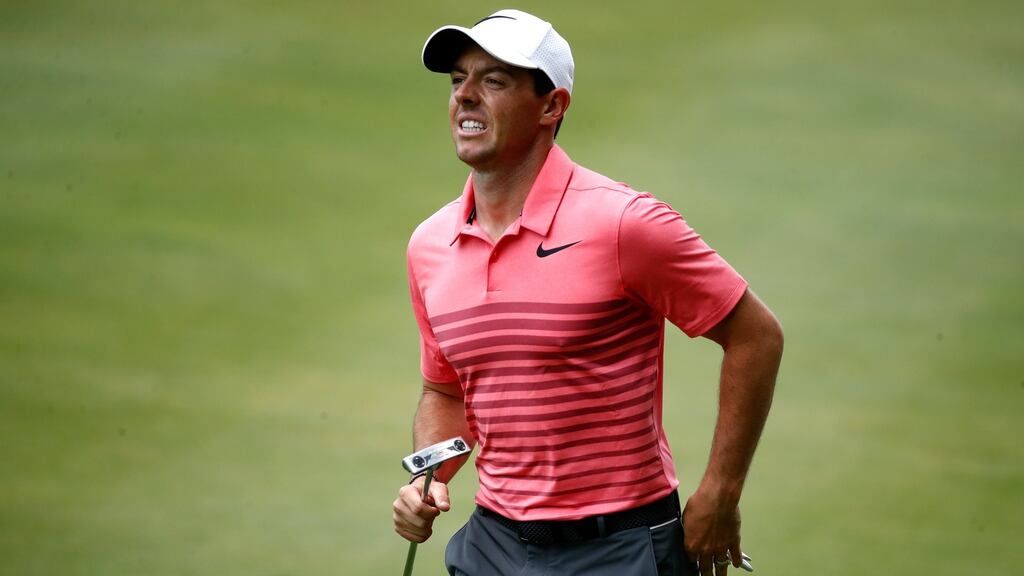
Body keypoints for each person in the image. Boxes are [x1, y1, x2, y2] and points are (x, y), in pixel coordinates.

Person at [392, 9, 784, 576]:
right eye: (458, 80)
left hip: (620, 549)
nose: (466, 97)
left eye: (494, 81)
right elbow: (446, 391)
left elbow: (755, 336)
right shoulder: (430, 245)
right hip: (493, 547)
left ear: (552, 106)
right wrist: (427, 480)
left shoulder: (624, 223)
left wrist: (721, 492)